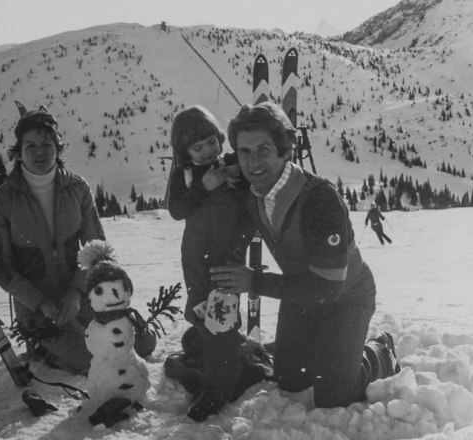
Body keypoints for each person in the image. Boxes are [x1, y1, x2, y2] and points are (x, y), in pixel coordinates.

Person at [210, 102, 400, 409]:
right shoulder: (253, 188)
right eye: (244, 152)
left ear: (284, 151)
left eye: (263, 149)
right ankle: (329, 350)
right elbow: (232, 169)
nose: (253, 161)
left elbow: (328, 288)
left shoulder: (319, 200)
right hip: (301, 296)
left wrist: (254, 281)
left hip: (346, 297)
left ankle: (380, 351)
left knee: (333, 396)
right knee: (290, 381)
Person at [162, 105, 266, 421]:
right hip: (195, 255)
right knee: (201, 305)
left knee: (221, 308)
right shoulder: (184, 175)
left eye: (211, 142)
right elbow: (176, 209)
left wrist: (237, 176)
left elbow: (255, 189)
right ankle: (221, 349)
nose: (208, 151)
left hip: (227, 256)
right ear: (185, 152)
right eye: (198, 147)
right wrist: (201, 188)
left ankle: (219, 386)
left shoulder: (231, 163)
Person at [0, 101, 105, 374]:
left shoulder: (77, 188)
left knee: (138, 343)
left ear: (58, 149)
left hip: (80, 299)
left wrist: (76, 293)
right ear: (19, 152)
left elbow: (95, 247)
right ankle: (42, 349)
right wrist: (40, 302)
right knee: (92, 362)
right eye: (31, 146)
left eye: (47, 145)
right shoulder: (3, 200)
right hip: (37, 309)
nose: (40, 152)